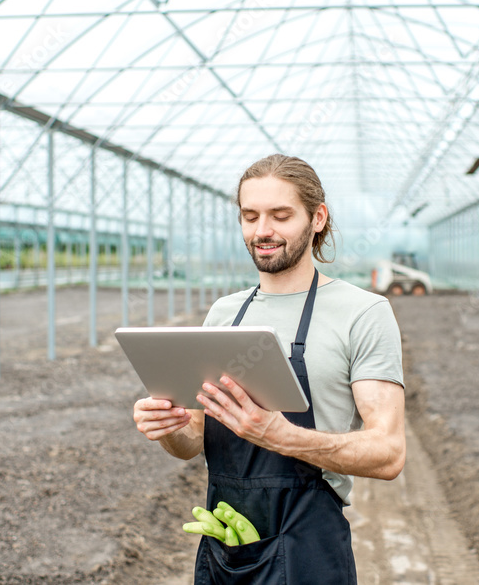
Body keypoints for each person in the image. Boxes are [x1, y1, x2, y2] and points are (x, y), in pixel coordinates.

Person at [133, 154, 406, 583]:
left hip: (308, 548)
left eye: (281, 216)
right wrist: (168, 426)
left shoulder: (363, 313)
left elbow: (389, 453)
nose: (263, 231)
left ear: (317, 218)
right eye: (250, 216)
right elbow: (193, 442)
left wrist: (283, 437)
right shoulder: (225, 314)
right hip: (228, 545)